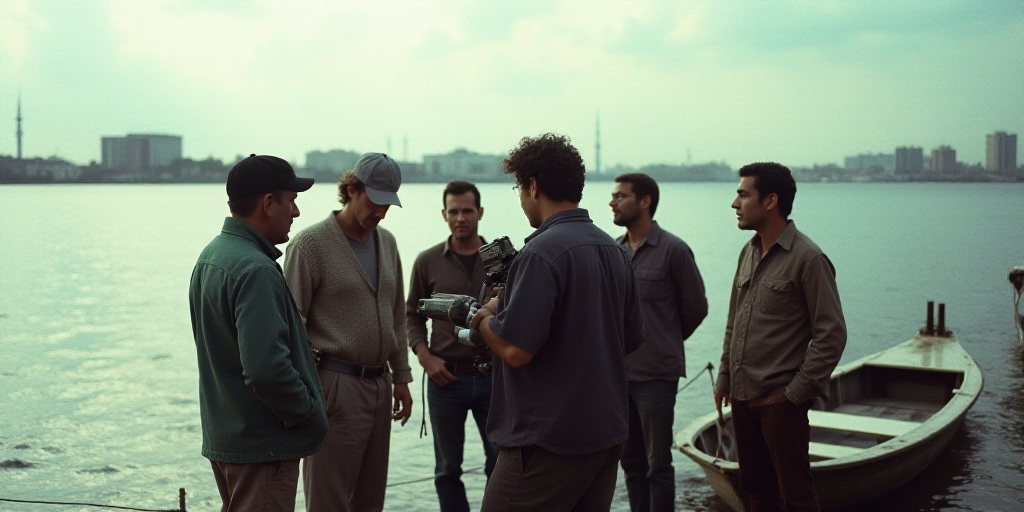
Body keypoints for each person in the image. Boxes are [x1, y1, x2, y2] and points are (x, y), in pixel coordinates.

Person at [469, 133, 646, 512]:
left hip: (547, 443)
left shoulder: (539, 254)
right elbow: (631, 337)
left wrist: (483, 320)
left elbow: (515, 350)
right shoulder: (614, 251)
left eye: (519, 186)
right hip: (605, 436)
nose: (520, 197)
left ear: (533, 186)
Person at [189, 154, 329, 512]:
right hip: (263, 446)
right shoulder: (256, 270)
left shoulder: (212, 256)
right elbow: (266, 370)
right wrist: (309, 413)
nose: (296, 212)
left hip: (228, 439)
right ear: (269, 203)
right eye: (291, 199)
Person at [283, 152, 413, 512]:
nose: (381, 212)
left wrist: (401, 376)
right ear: (352, 189)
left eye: (389, 204)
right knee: (329, 502)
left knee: (370, 502)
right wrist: (311, 392)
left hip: (380, 386)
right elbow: (291, 327)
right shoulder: (310, 246)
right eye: (376, 201)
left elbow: (397, 316)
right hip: (333, 386)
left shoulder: (387, 242)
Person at [714, 162, 847, 512]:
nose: (734, 203)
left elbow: (831, 335)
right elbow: (734, 321)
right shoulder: (749, 251)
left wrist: (793, 396)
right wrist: (724, 378)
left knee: (797, 500)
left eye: (743, 194)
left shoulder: (809, 259)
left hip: (779, 407)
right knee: (757, 495)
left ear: (771, 201)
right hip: (742, 400)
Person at [610, 173, 708, 512]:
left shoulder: (674, 250)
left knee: (658, 465)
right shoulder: (614, 251)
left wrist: (665, 339)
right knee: (630, 463)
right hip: (618, 377)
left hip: (656, 376)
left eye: (620, 196)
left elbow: (696, 307)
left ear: (645, 201)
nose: (612, 202)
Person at [406, 180, 498, 512]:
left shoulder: (504, 261)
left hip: (496, 379)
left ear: (480, 213)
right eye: (454, 211)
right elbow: (410, 315)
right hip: (445, 378)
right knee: (447, 469)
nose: (461, 218)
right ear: (444, 214)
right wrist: (424, 356)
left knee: (501, 465)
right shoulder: (427, 261)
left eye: (468, 211)